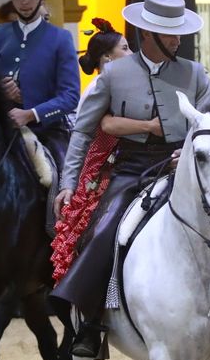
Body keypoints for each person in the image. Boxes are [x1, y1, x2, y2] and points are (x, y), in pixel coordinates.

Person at [52, 0, 210, 359]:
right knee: (105, 230)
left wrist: (189, 152)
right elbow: (83, 132)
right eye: (170, 33)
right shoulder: (114, 74)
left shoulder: (194, 72)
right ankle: (91, 324)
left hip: (185, 168)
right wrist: (68, 183)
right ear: (147, 35)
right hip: (131, 171)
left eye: (178, 32)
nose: (178, 39)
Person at [50, 19, 155, 281]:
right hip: (100, 170)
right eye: (125, 48)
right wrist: (151, 126)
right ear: (108, 58)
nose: (131, 54)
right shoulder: (99, 86)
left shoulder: (124, 83)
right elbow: (104, 127)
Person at [0, 0, 80, 168]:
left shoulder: (61, 38)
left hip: (46, 131)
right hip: (1, 127)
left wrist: (30, 112)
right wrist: (0, 90)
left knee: (62, 176)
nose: (24, 1)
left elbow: (70, 97)